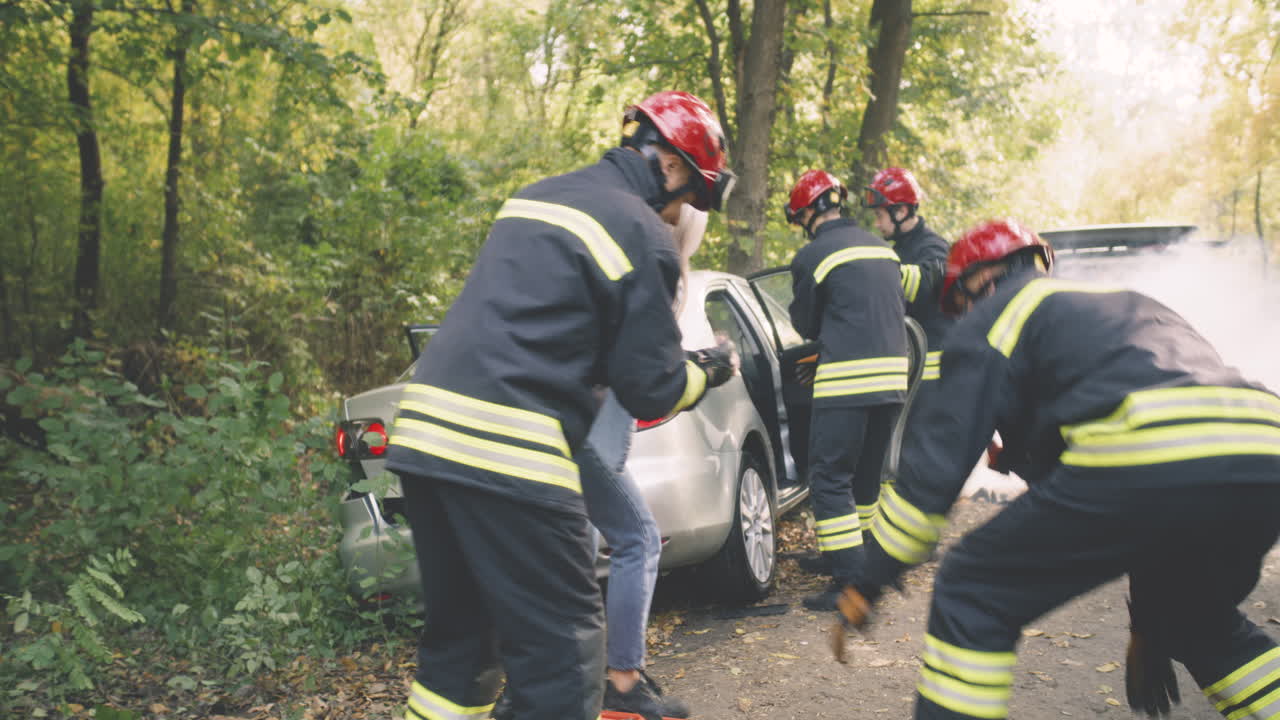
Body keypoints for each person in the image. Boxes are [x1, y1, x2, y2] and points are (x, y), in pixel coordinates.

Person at [834, 219, 1280, 719]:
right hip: (1262, 451)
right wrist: (1151, 627)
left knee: (972, 588)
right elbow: (1159, 503)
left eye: (959, 307)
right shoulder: (1123, 306)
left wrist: (868, 580)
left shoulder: (999, 312)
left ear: (981, 281)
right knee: (1198, 621)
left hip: (1153, 449)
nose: (962, 320)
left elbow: (932, 471)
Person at [384, 90, 737, 720]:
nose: (681, 212)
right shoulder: (643, 234)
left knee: (460, 652)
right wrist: (706, 371)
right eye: (688, 198)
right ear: (676, 167)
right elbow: (651, 387)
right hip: (511, 450)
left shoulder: (536, 196)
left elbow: (537, 322)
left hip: (423, 439)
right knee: (564, 657)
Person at [782, 169, 908, 611]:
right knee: (866, 479)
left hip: (846, 384)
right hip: (893, 382)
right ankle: (864, 563)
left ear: (806, 213)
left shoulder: (813, 256)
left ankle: (848, 583)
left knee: (830, 479)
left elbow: (807, 324)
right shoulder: (882, 249)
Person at [864, 167, 952, 387]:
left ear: (901, 211)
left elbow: (926, 287)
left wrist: (877, 272)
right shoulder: (900, 250)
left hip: (935, 378)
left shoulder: (933, 248)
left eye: (879, 215)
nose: (877, 224)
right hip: (915, 373)